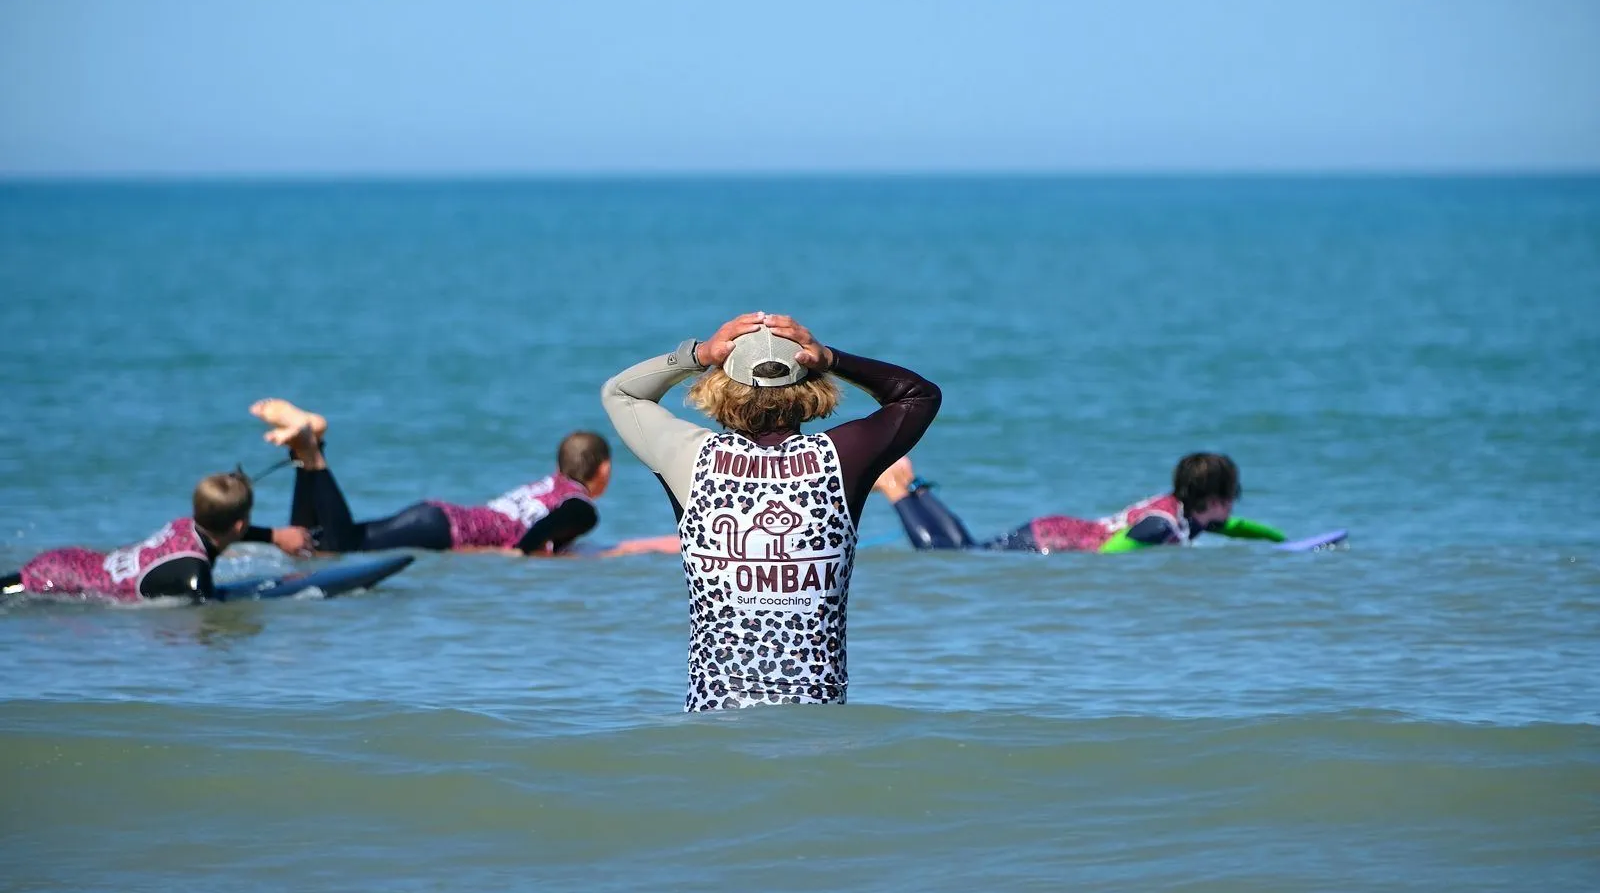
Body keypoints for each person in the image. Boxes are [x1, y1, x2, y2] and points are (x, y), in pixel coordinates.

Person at [602, 312, 941, 712]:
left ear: (720, 386)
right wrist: (831, 358)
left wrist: (700, 353)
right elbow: (919, 395)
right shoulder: (840, 459)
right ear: (810, 384)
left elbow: (621, 393)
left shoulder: (693, 459)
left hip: (716, 720)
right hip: (817, 723)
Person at [248, 398, 614, 556]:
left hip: (439, 519)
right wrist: (521, 555)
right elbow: (551, 525)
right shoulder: (580, 505)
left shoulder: (549, 484)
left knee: (313, 543)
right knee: (340, 546)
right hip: (443, 529)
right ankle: (312, 450)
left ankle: (306, 445)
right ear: (603, 470)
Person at [873, 452, 1288, 553]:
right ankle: (894, 489)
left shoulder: (1187, 515)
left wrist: (1283, 542)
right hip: (1050, 543)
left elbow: (1234, 528)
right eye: (1230, 500)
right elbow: (1111, 552)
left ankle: (913, 485)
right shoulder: (1162, 526)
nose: (1232, 510)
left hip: (1054, 529)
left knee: (971, 551)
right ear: (1214, 500)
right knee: (957, 556)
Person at [2, 470, 277, 601]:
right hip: (62, 582)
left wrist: (274, 536)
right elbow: (207, 622)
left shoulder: (183, 525)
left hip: (68, 561)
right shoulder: (195, 573)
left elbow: (222, 530)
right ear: (239, 525)